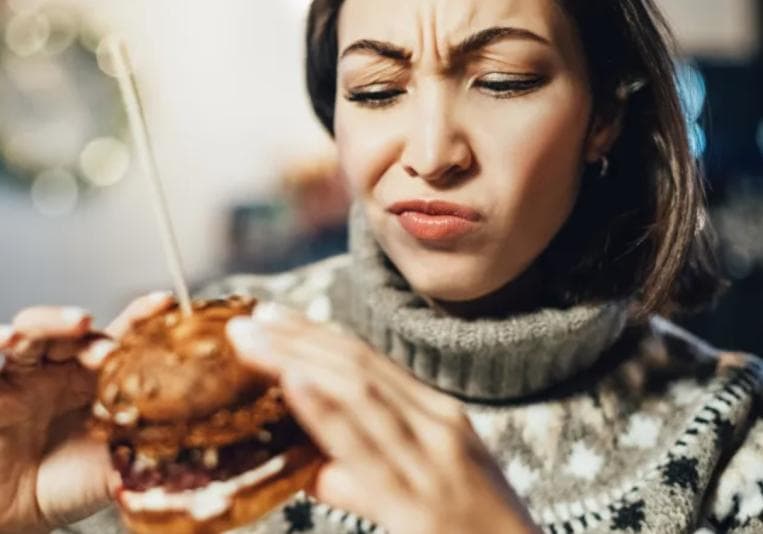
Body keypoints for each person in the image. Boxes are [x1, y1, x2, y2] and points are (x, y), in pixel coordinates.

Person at [1, 0, 761, 532]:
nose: (430, 155)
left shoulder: (729, 435)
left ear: (603, 117)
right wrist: (21, 511)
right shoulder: (218, 366)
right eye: (375, 90)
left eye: (501, 80)